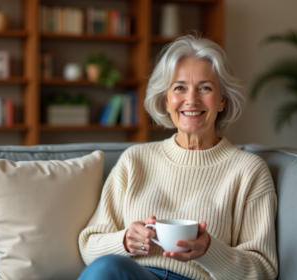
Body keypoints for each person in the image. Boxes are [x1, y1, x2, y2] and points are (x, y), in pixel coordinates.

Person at [78, 34, 278, 280]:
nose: (191, 100)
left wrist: (208, 251)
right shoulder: (135, 161)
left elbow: (263, 270)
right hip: (133, 274)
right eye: (180, 88)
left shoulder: (248, 171)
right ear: (166, 99)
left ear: (222, 100)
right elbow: (89, 246)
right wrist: (124, 241)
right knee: (106, 269)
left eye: (205, 88)